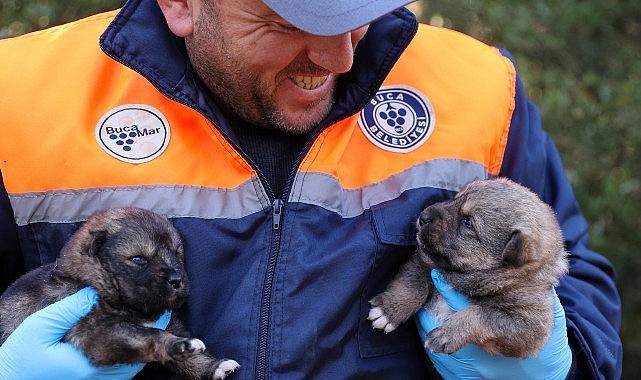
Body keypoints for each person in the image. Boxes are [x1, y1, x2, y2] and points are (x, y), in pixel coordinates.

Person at [0, 0, 622, 378]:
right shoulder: (21, 98)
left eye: (353, 12)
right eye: (287, 19)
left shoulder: (480, 91)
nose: (338, 57)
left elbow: (575, 274)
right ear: (180, 5)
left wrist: (563, 365)